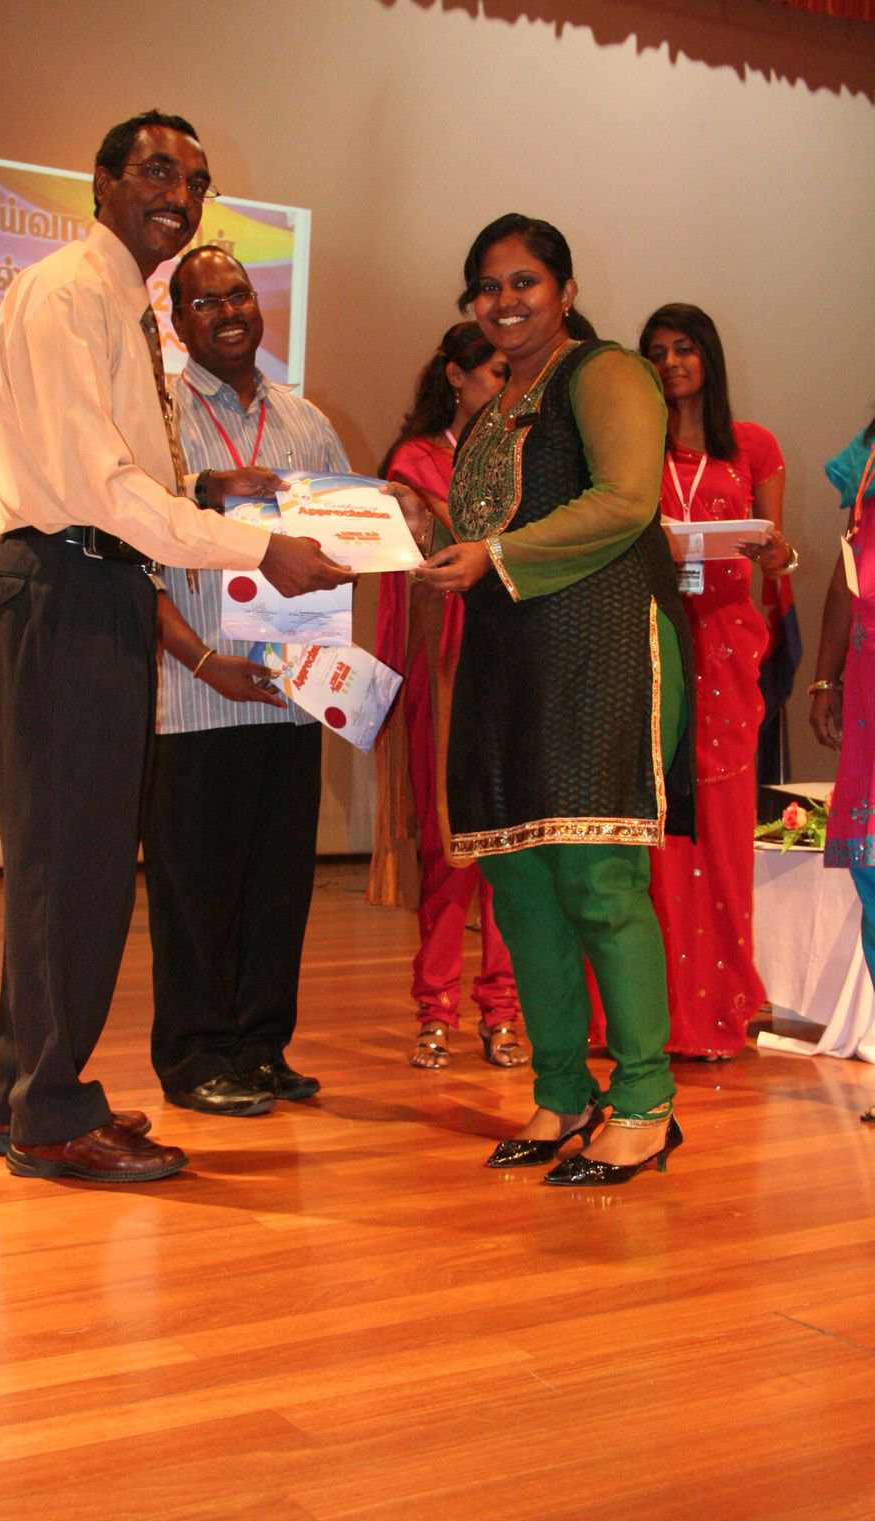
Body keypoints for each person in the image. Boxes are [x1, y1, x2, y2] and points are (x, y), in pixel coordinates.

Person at [0, 111, 349, 1183]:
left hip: (90, 582)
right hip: (68, 578)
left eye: (195, 180)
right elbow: (96, 487)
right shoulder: (70, 293)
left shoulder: (121, 305)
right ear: (100, 181)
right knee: (75, 866)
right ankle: (51, 1114)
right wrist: (257, 544)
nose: (177, 196)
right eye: (154, 171)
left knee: (65, 861)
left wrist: (205, 487)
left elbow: (118, 473)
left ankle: (23, 1098)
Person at [405, 213, 696, 1185]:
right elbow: (492, 530)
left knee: (596, 879)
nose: (503, 301)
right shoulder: (494, 413)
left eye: (523, 281)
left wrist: (489, 553)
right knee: (521, 886)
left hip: (602, 647)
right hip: (509, 660)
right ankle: (564, 1092)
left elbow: (624, 499)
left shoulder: (604, 373)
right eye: (486, 286)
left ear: (565, 291)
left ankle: (645, 1102)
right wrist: (421, 526)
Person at [142, 245, 349, 1116]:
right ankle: (196, 1057)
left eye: (239, 295)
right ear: (176, 323)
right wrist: (202, 660)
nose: (227, 312)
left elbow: (340, 548)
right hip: (197, 696)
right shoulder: (153, 418)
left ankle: (261, 1047)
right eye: (204, 302)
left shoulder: (307, 422)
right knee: (197, 890)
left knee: (277, 887)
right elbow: (133, 566)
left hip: (290, 695)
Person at [635, 305, 796, 1061]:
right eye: (658, 352)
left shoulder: (753, 446)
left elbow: (779, 555)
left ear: (709, 357)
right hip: (651, 642)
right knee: (653, 824)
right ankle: (643, 1013)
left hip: (727, 650)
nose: (672, 363)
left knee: (722, 827)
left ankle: (720, 1010)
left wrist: (778, 556)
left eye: (685, 349)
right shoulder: (635, 447)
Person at [370, 323, 525, 1072]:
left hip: (513, 667)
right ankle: (435, 1010)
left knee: (508, 852)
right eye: (494, 371)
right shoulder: (415, 460)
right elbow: (427, 557)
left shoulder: (522, 455)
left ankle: (503, 1010)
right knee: (448, 849)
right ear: (457, 377)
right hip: (444, 670)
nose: (504, 383)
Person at [809, 413, 875, 1124]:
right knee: (872, 873)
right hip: (868, 688)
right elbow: (846, 571)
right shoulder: (865, 457)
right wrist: (824, 678)